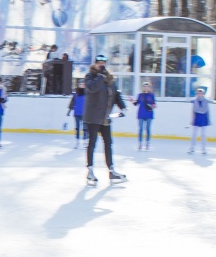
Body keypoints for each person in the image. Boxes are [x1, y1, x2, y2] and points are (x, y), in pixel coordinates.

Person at [83, 54, 127, 184]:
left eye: (103, 63)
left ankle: (111, 170)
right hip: (93, 117)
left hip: (105, 118)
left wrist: (122, 107)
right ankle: (90, 170)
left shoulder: (109, 78)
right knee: (92, 143)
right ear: (95, 64)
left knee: (108, 143)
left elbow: (116, 94)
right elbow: (92, 88)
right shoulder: (90, 77)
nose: (101, 65)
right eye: (99, 63)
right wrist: (100, 76)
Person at [132, 81, 157, 150]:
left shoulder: (151, 95)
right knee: (140, 129)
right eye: (145, 86)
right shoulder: (140, 95)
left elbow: (154, 104)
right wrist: (132, 101)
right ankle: (140, 143)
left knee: (148, 129)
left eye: (147, 86)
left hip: (149, 114)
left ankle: (147, 143)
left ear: (149, 88)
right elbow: (136, 103)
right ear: (143, 87)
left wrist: (154, 106)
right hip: (141, 114)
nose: (146, 88)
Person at [188, 86, 212, 154]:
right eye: (199, 93)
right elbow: (193, 110)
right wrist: (192, 120)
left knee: (203, 135)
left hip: (203, 118)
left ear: (203, 94)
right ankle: (192, 148)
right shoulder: (194, 101)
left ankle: (203, 149)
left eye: (201, 93)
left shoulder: (206, 101)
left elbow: (206, 110)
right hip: (196, 118)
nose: (200, 94)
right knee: (194, 134)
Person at [66, 78, 86, 148]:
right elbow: (72, 103)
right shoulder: (75, 94)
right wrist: (69, 111)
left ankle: (85, 142)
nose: (82, 85)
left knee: (85, 128)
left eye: (83, 84)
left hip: (85, 113)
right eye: (81, 84)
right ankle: (77, 142)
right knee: (77, 128)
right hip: (77, 113)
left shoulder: (88, 93)